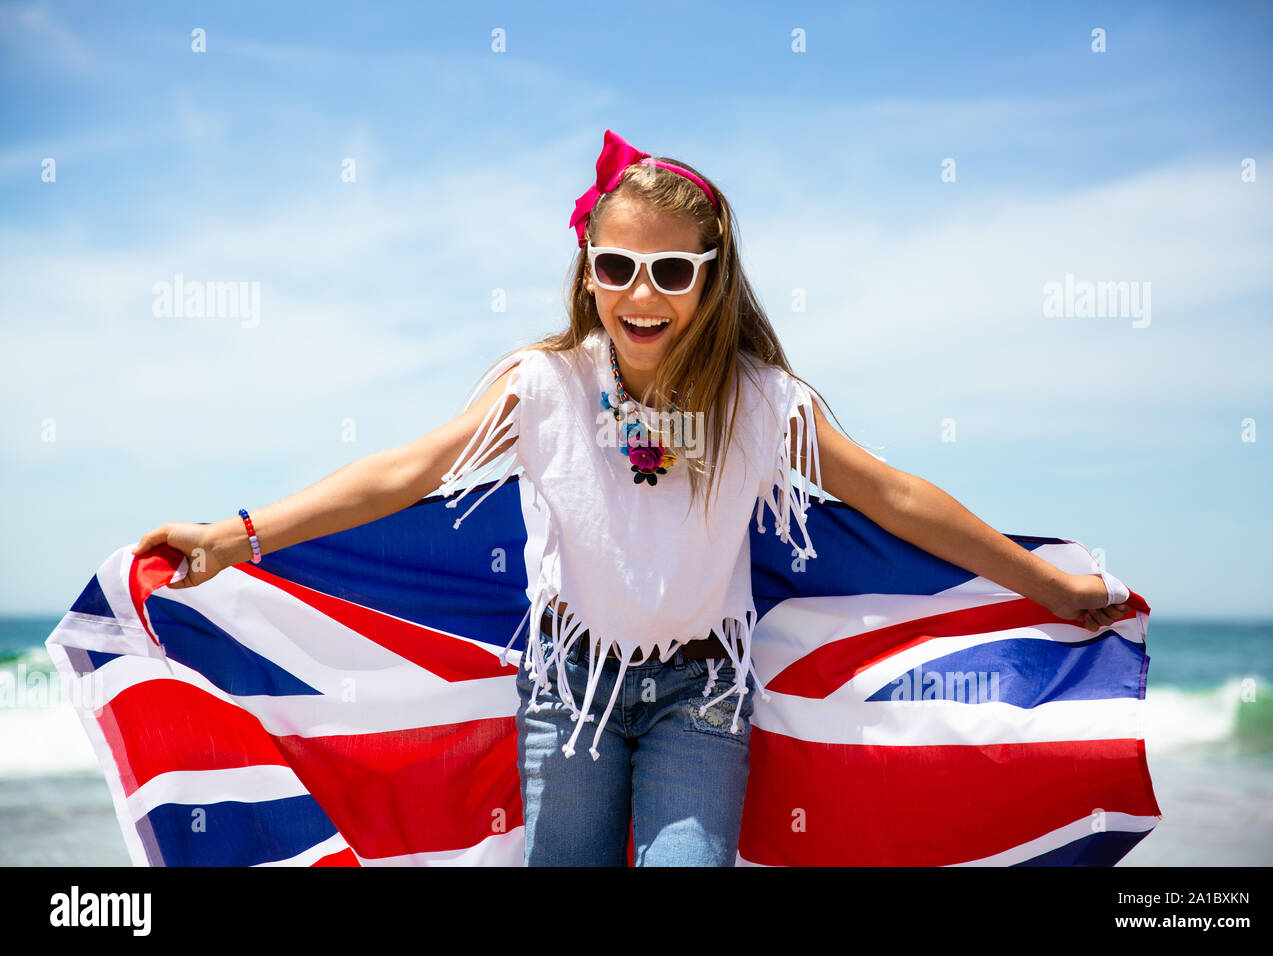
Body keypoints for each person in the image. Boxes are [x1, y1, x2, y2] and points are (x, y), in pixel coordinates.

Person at [130, 128, 1132, 867]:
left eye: (667, 271)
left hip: (704, 694)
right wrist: (240, 534)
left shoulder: (760, 403)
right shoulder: (543, 386)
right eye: (614, 266)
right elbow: (409, 469)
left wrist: (1040, 583)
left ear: (709, 276)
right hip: (567, 690)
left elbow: (894, 495)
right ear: (589, 269)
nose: (639, 294)